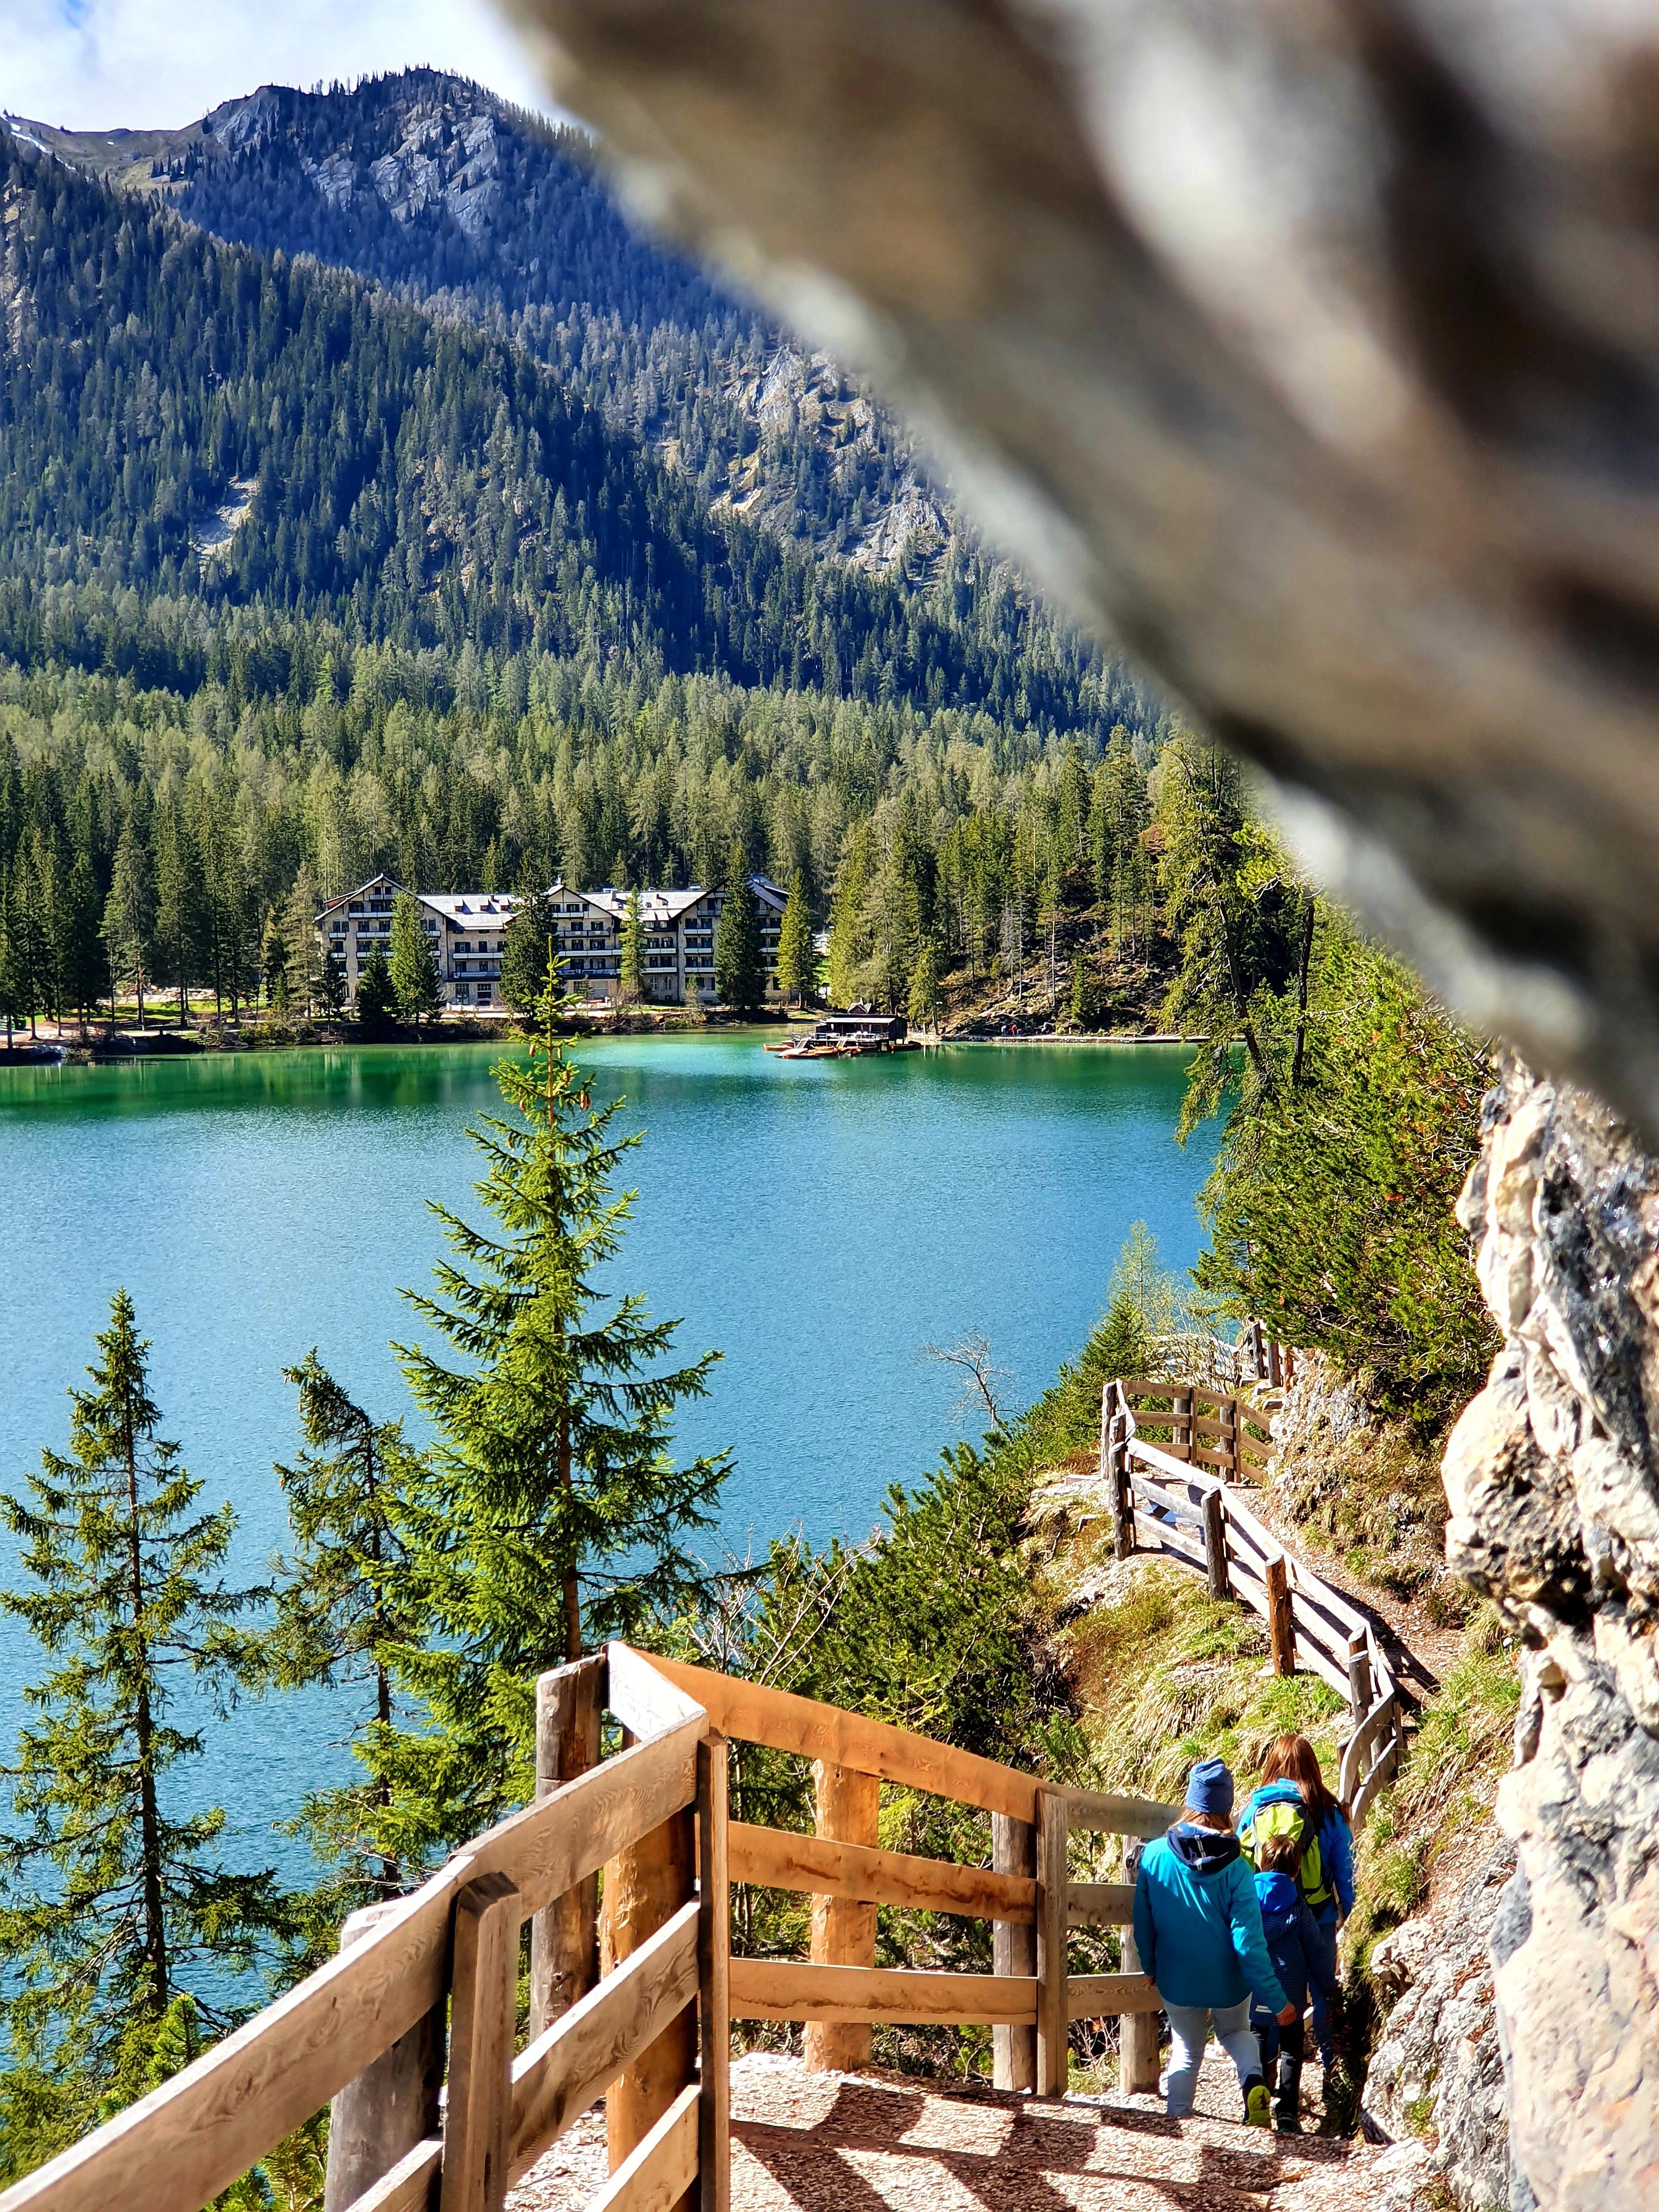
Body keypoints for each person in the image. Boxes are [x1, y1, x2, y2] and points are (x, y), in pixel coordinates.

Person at [1132, 1754, 1297, 2126]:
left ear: (1190, 1802)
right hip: (1228, 1982)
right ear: (1226, 1809)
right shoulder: (1238, 1868)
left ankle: (1178, 2119)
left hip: (1178, 1978)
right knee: (1237, 2032)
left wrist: (1150, 1966)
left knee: (1187, 2048)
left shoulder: (1155, 1856)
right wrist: (1278, 2001)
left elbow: (1142, 1921)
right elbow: (1249, 1945)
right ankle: (1254, 2083)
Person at [1238, 1735, 1356, 2077]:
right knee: (1322, 1989)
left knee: (1275, 1988)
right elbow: (1344, 1870)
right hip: (1317, 1916)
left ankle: (1266, 2070)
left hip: (1266, 1920)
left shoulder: (1253, 1810)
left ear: (1272, 1767)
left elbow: (1241, 1865)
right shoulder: (1327, 1814)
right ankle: (1333, 2069)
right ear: (1313, 1768)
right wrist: (1350, 1911)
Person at [1248, 1832, 1336, 2132]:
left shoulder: (1248, 1902)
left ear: (1260, 1865)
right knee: (1291, 2048)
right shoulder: (1299, 1908)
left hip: (1258, 1986)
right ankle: (1287, 2112)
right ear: (1297, 1870)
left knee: (1258, 2039)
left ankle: (1254, 2101)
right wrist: (1329, 1987)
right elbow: (1317, 1952)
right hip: (1292, 1991)